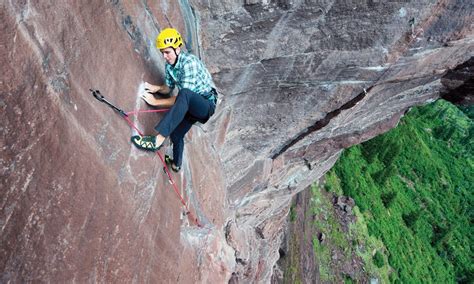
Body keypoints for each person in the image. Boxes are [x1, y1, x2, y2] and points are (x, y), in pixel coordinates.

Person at [131, 28, 218, 172]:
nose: (164, 56)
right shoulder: (170, 65)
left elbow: (183, 97)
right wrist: (156, 89)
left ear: (177, 49)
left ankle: (157, 140)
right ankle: (176, 165)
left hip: (206, 105)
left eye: (167, 52)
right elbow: (168, 88)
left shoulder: (189, 63)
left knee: (185, 93)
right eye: (162, 53)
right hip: (190, 106)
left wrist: (155, 102)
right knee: (176, 135)